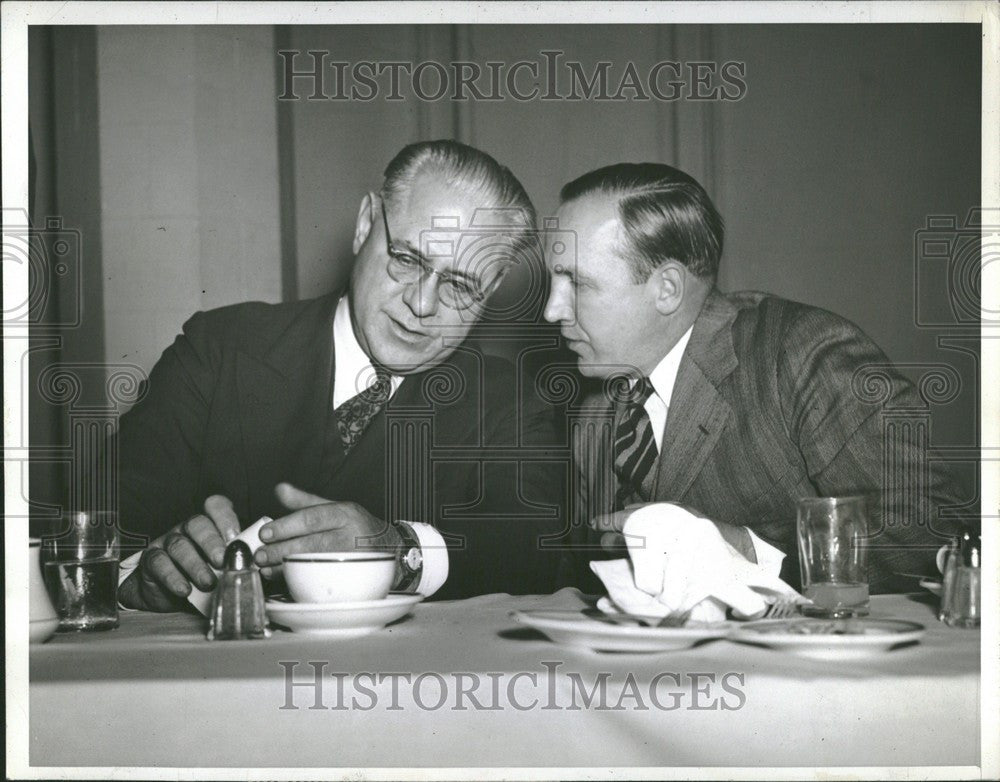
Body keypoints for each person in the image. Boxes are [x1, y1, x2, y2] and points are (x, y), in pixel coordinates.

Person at [115, 139, 566, 611]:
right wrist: (139, 577)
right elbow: (101, 528)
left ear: (492, 289)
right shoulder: (219, 349)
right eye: (408, 259)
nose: (422, 303)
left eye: (459, 284)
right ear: (365, 224)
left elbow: (526, 557)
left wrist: (399, 551)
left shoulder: (511, 404)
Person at [542, 162, 973, 593]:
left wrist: (747, 554)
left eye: (577, 283)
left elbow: (931, 542)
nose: (552, 310)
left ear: (667, 288)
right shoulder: (596, 413)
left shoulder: (802, 356)